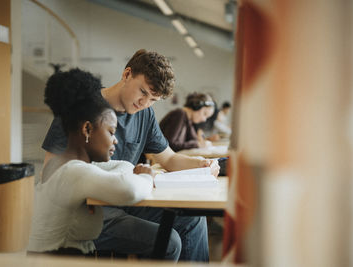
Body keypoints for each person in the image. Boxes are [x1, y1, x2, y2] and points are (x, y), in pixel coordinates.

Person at [42, 49, 220, 262]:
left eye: (153, 99)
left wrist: (201, 164)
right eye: (143, 92)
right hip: (87, 210)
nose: (144, 103)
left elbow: (169, 158)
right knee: (169, 241)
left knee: (193, 220)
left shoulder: (144, 113)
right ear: (127, 75)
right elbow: (50, 171)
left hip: (126, 200)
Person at [27, 69, 183, 259]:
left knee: (181, 225)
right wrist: (146, 176)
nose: (116, 139)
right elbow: (130, 190)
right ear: (87, 130)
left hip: (80, 248)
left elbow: (122, 166)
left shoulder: (78, 165)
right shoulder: (74, 172)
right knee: (169, 241)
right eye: (110, 132)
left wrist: (130, 170)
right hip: (59, 258)